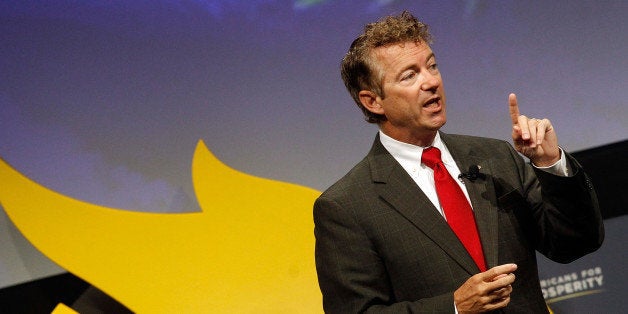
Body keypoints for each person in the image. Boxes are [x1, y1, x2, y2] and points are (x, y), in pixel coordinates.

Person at [313, 11, 604, 313]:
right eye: (409, 75)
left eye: (432, 66)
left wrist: (550, 164)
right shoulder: (346, 206)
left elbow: (576, 243)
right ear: (373, 101)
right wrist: (453, 307)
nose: (431, 82)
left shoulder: (496, 157)